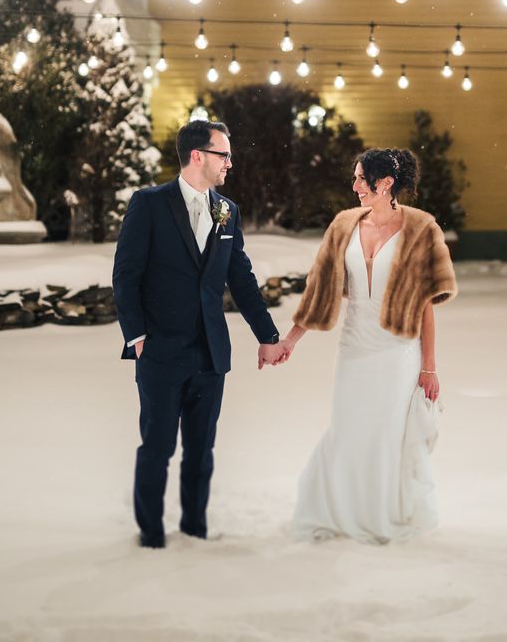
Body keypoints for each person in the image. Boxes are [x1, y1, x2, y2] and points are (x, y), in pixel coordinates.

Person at [112, 119, 290, 548]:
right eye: (223, 154)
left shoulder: (226, 210)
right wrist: (137, 337)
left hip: (210, 354)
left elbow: (241, 278)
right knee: (156, 449)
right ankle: (151, 536)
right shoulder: (149, 204)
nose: (230, 163)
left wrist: (267, 335)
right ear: (198, 156)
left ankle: (194, 530)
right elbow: (126, 275)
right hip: (159, 352)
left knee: (200, 452)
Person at [283, 148, 458, 544]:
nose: (355, 186)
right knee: (348, 429)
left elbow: (427, 306)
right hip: (353, 349)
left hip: (398, 352)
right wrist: (290, 341)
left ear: (386, 183)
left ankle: (382, 516)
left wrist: (429, 368)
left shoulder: (422, 229)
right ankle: (339, 512)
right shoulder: (344, 225)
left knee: (385, 435)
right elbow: (319, 291)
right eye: (356, 178)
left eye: (362, 179)